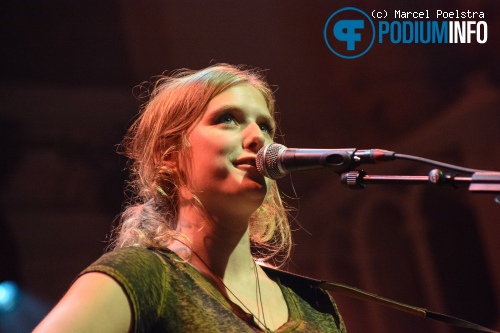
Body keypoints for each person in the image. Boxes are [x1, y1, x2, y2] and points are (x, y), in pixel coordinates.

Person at [33, 64, 347, 333]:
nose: (257, 138)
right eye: (228, 118)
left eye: (265, 126)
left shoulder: (314, 306)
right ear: (169, 155)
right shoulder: (147, 277)